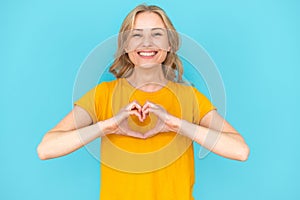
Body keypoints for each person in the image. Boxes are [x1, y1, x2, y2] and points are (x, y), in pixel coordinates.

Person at [37, 4, 250, 200]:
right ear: (125, 45)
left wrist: (177, 124)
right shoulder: (103, 95)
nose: (147, 43)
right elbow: (46, 148)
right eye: (136, 35)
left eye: (157, 34)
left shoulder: (189, 98)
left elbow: (240, 151)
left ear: (170, 44)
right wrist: (108, 126)